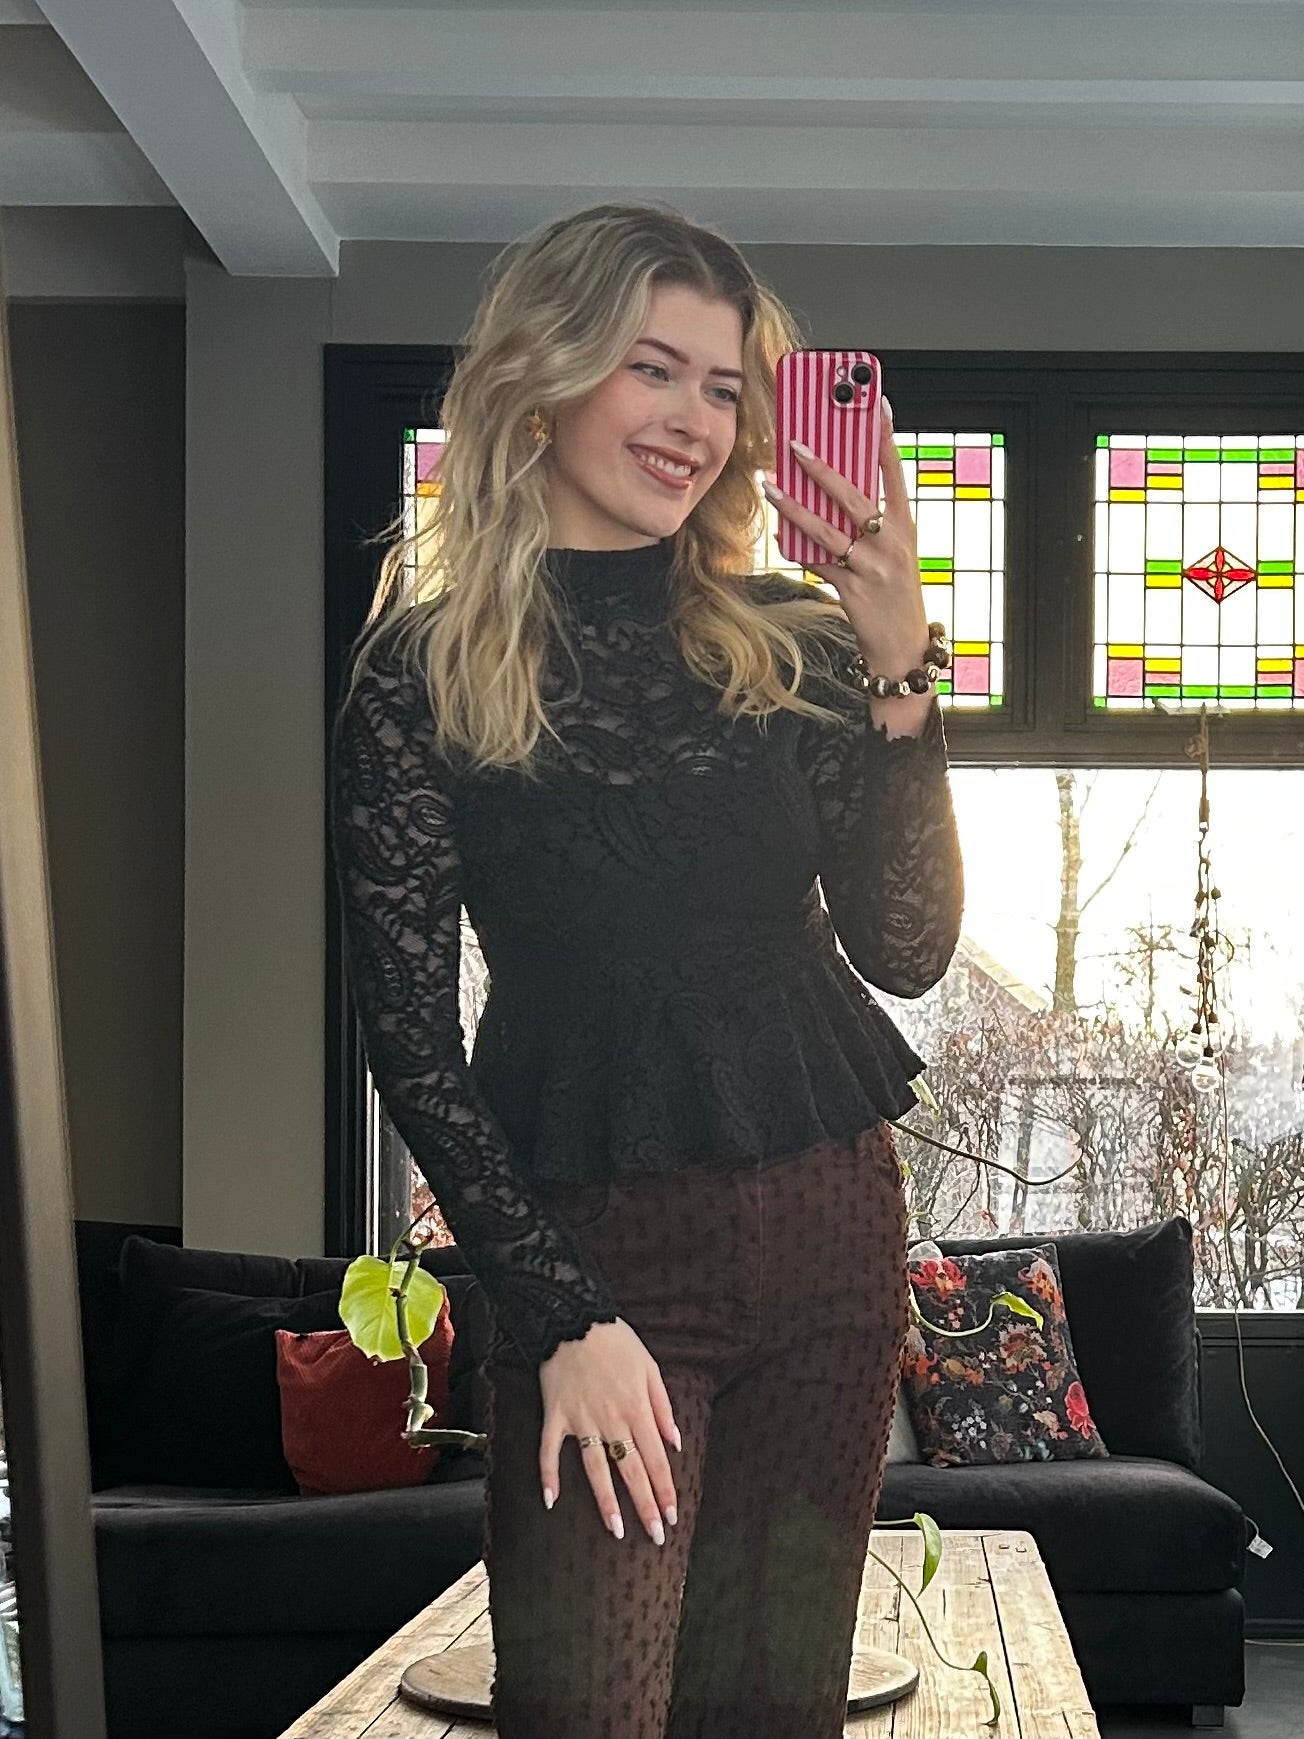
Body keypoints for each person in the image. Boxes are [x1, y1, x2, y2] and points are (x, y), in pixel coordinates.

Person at [329, 199, 964, 1739]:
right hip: (596, 1250)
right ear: (545, 378)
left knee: (774, 1710)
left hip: (832, 1232)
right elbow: (410, 1040)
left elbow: (905, 947)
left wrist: (902, 663)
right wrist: (562, 1314)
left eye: (725, 387)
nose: (693, 419)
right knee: (587, 1711)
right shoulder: (422, 675)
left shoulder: (796, 641)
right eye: (652, 368)